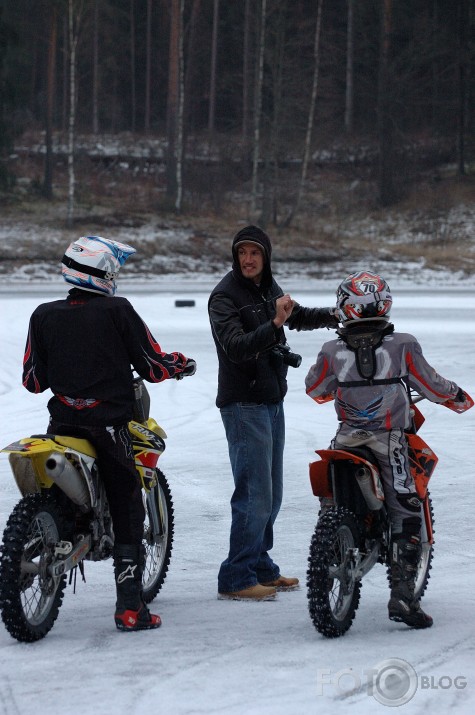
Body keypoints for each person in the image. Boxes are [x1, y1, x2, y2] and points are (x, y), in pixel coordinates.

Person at [22, 235, 196, 631]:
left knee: (55, 496)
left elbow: (33, 380)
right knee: (127, 500)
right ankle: (131, 607)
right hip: (109, 426)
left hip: (62, 426)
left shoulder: (42, 314)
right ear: (105, 273)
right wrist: (179, 364)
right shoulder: (118, 310)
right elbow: (152, 365)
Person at [305, 270, 469, 628]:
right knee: (405, 502)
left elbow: (316, 389)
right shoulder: (403, 345)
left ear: (344, 306)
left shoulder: (331, 349)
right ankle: (403, 595)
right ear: (385, 304)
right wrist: (457, 397)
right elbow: (433, 385)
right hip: (389, 438)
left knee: (330, 500)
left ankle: (333, 535)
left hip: (346, 438)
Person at [208, 225, 338, 601]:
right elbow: (236, 346)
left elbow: (296, 315)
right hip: (243, 404)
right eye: (242, 253)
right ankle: (236, 576)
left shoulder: (267, 287)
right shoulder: (224, 297)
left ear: (265, 257)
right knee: (254, 494)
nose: (248, 259)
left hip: (270, 400)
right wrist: (275, 324)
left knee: (273, 493)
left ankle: (260, 565)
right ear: (235, 257)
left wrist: (335, 314)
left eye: (254, 253)